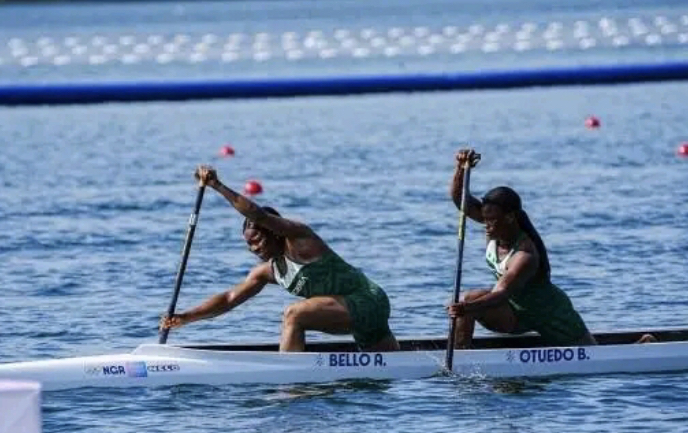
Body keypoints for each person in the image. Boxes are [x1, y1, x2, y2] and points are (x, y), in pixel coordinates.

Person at [159, 165, 400, 352]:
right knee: (393, 367)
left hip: (368, 300)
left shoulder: (302, 240)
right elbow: (229, 298)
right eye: (248, 244)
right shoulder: (269, 270)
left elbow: (258, 214)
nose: (253, 249)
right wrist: (185, 317)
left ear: (274, 233)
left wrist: (217, 185)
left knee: (293, 314)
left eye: (257, 241)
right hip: (353, 314)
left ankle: (290, 380)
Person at [446, 149, 597, 348]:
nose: (486, 224)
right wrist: (461, 168)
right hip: (515, 312)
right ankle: (460, 361)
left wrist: (465, 309)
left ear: (509, 217)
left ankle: (644, 343)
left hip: (550, 313)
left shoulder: (525, 254)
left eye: (491, 220)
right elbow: (460, 200)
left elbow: (501, 293)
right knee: (468, 298)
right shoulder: (495, 225)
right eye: (485, 218)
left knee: (592, 352)